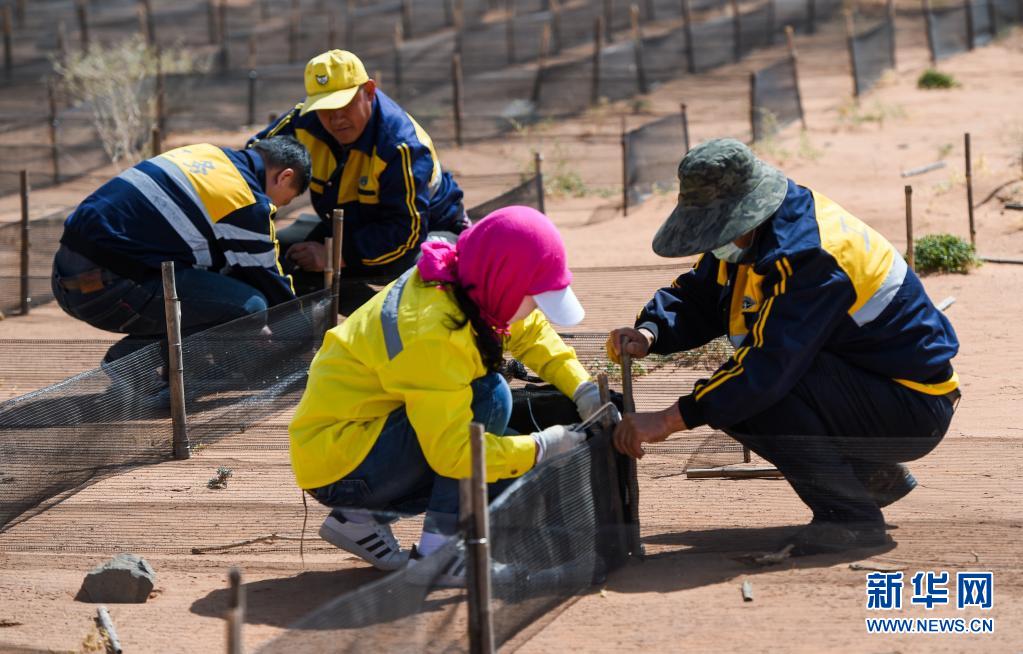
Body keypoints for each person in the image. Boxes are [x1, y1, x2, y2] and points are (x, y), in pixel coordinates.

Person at [608, 139, 960, 555]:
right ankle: (868, 477)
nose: (713, 241)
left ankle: (850, 519)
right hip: (865, 385)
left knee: (751, 395)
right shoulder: (754, 235)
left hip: (912, 408)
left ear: (747, 212)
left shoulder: (810, 256)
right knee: (734, 396)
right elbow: (700, 295)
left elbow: (769, 367)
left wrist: (668, 420)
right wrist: (651, 332)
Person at [289, 206, 607, 585]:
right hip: (339, 462)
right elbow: (455, 454)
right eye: (535, 296)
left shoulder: (469, 279)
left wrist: (583, 388)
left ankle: (358, 519)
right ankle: (438, 557)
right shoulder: (433, 331)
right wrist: (542, 447)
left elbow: (531, 333)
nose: (537, 307)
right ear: (505, 282)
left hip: (353, 441)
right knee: (490, 400)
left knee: (500, 450)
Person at [52, 136, 311, 365]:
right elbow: (269, 279)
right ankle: (133, 365)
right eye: (284, 200)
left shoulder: (205, 153)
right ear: (285, 177)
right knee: (249, 307)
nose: (276, 208)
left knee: (218, 287)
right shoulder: (245, 199)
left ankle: (163, 370)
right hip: (108, 293)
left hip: (65, 280)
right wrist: (302, 336)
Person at [250, 49, 467, 304]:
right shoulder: (303, 121)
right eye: (325, 107)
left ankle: (378, 316)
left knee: (427, 273)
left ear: (369, 91)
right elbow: (252, 164)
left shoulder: (400, 146)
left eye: (344, 104)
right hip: (350, 226)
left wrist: (334, 255)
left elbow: (405, 234)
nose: (336, 118)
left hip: (427, 230)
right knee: (284, 261)